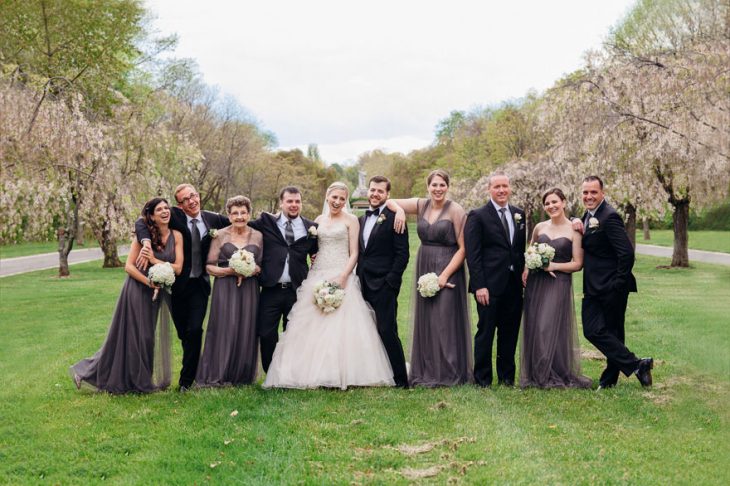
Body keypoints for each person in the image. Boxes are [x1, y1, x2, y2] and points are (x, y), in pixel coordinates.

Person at [263, 182, 395, 389]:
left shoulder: (351, 220)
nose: (337, 202)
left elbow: (355, 253)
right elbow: (312, 248)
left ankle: (342, 372)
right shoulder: (317, 221)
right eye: (334, 197)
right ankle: (303, 372)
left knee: (341, 326)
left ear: (346, 201)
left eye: (342, 199)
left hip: (341, 274)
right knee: (311, 323)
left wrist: (343, 276)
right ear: (327, 197)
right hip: (318, 274)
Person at [71, 198, 183, 393]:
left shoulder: (177, 236)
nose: (165, 211)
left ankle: (138, 379)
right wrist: (149, 282)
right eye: (159, 209)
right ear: (152, 216)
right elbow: (129, 267)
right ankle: (91, 372)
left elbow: (178, 267)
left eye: (167, 208)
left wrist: (154, 261)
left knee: (146, 337)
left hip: (158, 292)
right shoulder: (143, 236)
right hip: (138, 289)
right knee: (133, 336)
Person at [135, 184, 230, 391]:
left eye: (194, 196)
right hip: (177, 287)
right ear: (179, 204)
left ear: (199, 195)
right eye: (186, 199)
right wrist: (145, 242)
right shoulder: (175, 217)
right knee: (184, 333)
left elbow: (240, 221)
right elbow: (141, 221)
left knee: (195, 330)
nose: (192, 201)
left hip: (200, 285)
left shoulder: (213, 219)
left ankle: (186, 382)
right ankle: (192, 370)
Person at [388, 169, 473, 386]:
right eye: (434, 185)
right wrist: (399, 211)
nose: (438, 189)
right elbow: (388, 200)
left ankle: (448, 372)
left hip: (448, 266)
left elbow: (464, 248)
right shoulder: (420, 205)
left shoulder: (456, 210)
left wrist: (444, 275)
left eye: (442, 185)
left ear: (447, 187)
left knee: (444, 320)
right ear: (428, 187)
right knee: (427, 319)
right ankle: (427, 370)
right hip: (424, 264)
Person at [580, 176, 653, 388]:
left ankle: (609, 380)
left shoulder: (609, 216)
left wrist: (618, 284)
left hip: (611, 287)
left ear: (602, 193)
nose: (589, 196)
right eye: (585, 192)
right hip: (594, 286)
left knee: (612, 332)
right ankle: (638, 365)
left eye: (593, 192)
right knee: (593, 330)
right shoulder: (589, 215)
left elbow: (627, 253)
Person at [520, 188, 591, 389]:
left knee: (547, 326)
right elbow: (530, 250)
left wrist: (554, 266)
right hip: (536, 282)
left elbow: (577, 263)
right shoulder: (539, 227)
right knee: (535, 325)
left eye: (555, 202)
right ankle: (536, 373)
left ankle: (552, 372)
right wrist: (527, 268)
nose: (551, 206)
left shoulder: (574, 229)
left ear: (564, 202)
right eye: (547, 203)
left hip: (558, 282)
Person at [465, 172, 526, 387]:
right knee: (486, 332)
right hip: (488, 286)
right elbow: (473, 255)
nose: (501, 190)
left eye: (505, 186)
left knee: (509, 333)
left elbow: (518, 249)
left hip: (513, 284)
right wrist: (479, 285)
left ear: (510, 188)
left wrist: (524, 270)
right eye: (497, 187)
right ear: (489, 189)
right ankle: (482, 379)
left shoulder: (519, 214)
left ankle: (507, 378)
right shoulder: (477, 215)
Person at [247, 187, 318, 373]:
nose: (294, 205)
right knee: (266, 332)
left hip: (297, 289)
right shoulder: (266, 221)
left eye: (297, 201)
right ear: (281, 203)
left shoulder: (312, 227)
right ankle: (271, 373)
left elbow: (317, 254)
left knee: (294, 332)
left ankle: (291, 372)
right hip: (271, 287)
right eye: (290, 201)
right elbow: (241, 225)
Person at [195, 196, 263, 387]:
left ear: (249, 214)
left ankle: (242, 374)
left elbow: (261, 267)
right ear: (229, 215)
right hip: (225, 287)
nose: (239, 216)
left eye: (243, 213)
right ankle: (218, 372)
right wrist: (230, 271)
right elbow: (209, 266)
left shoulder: (258, 236)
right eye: (235, 213)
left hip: (249, 289)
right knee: (224, 327)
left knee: (246, 327)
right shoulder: (220, 235)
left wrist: (248, 269)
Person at [357, 175, 410, 388]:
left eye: (380, 191)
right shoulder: (361, 219)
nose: (375, 194)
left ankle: (400, 380)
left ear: (387, 194)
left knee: (388, 330)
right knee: (365, 331)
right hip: (361, 283)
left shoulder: (396, 217)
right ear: (367, 191)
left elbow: (402, 254)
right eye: (372, 190)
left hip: (384, 285)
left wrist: (391, 281)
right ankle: (371, 374)